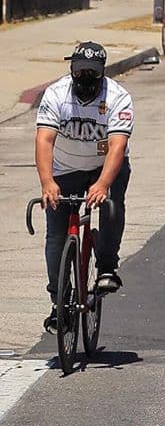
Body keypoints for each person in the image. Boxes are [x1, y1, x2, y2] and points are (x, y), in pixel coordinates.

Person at [35, 42, 133, 327]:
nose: (85, 76)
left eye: (92, 71)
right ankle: (59, 302)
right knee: (55, 235)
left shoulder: (117, 96)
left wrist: (103, 184)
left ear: (102, 71)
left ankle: (106, 267)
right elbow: (44, 139)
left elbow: (117, 145)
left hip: (105, 166)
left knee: (113, 205)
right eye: (80, 70)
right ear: (71, 69)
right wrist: (47, 182)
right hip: (65, 168)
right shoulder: (55, 94)